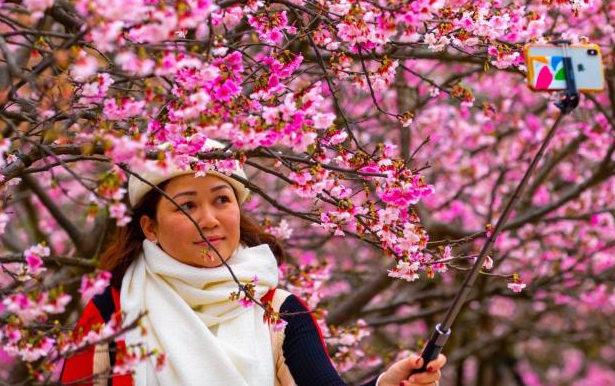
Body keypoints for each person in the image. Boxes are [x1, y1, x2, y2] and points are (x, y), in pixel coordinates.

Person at [60, 140, 446, 386]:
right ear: (150, 227)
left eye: (221, 200)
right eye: (186, 205)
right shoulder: (113, 312)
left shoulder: (279, 312)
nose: (209, 219)